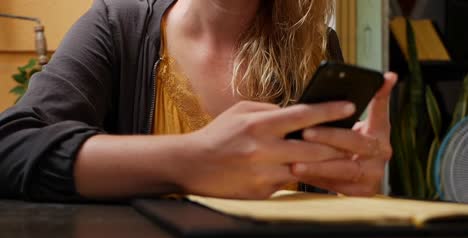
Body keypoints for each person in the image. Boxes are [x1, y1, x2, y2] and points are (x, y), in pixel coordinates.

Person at [0, 0, 397, 202]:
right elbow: (10, 149)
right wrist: (191, 160)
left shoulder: (318, 47)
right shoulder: (116, 25)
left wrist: (352, 183)